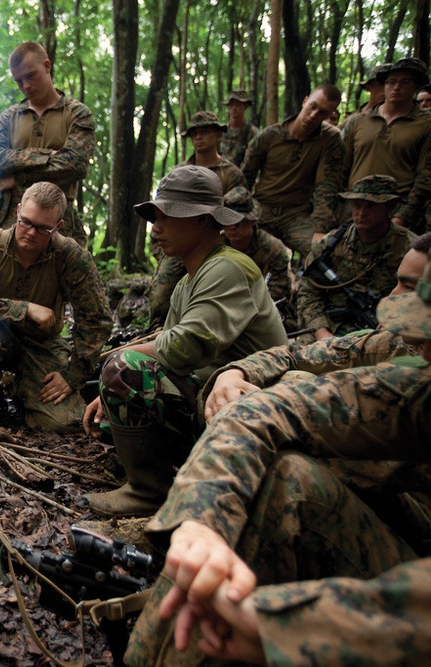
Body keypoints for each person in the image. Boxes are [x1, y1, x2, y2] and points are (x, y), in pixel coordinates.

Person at [123, 261, 431, 666]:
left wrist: (288, 626)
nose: (423, 351)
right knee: (286, 438)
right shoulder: (411, 371)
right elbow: (269, 410)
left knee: (292, 479)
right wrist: (202, 522)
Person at [82, 165, 287, 516]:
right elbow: (170, 350)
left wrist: (118, 365)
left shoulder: (227, 268)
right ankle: (166, 468)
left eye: (168, 217)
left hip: (250, 405)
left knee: (124, 371)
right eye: (155, 216)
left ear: (203, 220)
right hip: (211, 395)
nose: (156, 227)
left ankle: (148, 492)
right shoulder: (187, 281)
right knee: (113, 404)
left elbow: (181, 348)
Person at [202, 230, 430, 424]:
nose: (393, 296)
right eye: (397, 283)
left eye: (409, 288)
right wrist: (235, 373)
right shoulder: (391, 342)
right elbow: (295, 354)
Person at [0, 181, 112, 432]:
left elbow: (96, 319)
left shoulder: (71, 257)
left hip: (40, 344)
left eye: (43, 228)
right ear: (18, 211)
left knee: (59, 424)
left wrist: (72, 375)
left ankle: (25, 388)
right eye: (26, 222)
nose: (31, 233)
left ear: (58, 226)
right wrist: (24, 309)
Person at [0, 41, 94, 247]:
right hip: (13, 219)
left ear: (46, 66)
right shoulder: (9, 118)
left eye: (31, 76)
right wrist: (47, 156)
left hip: (59, 218)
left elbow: (75, 165)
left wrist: (17, 177)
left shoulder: (77, 114)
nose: (25, 86)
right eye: (19, 81)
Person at [148, 111, 248, 323]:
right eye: (194, 133)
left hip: (218, 243)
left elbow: (241, 212)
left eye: (205, 132)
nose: (198, 137)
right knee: (160, 298)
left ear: (219, 135)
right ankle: (157, 332)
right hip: (180, 242)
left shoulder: (231, 174)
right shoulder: (178, 172)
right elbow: (161, 212)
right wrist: (159, 248)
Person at [297, 174, 416, 340]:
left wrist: (394, 321)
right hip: (329, 327)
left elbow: (419, 300)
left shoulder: (410, 251)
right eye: (356, 205)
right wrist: (322, 333)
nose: (361, 213)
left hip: (384, 331)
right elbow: (309, 295)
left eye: (370, 206)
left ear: (390, 206)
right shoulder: (328, 246)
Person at [241, 84, 345, 259]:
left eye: (322, 113)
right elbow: (245, 177)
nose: (313, 115)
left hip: (296, 215)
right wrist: (240, 215)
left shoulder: (330, 140)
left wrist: (320, 230)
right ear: (305, 101)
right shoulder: (269, 136)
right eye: (313, 106)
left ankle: (305, 285)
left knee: (325, 254)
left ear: (329, 116)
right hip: (262, 209)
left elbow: (326, 187)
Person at [342, 57, 431, 234]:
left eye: (404, 82)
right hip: (355, 209)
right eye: (391, 82)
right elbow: (340, 168)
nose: (396, 87)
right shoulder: (358, 122)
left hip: (397, 209)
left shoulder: (426, 124)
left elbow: (426, 176)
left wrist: (403, 217)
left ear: (415, 86)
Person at [219, 186, 293, 310]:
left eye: (238, 222)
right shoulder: (214, 245)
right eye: (227, 221)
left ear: (252, 221)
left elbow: (278, 293)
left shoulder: (273, 250)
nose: (231, 227)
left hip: (261, 310)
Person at [338, 63, 390, 128]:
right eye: (381, 84)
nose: (386, 89)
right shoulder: (354, 119)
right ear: (369, 87)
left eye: (391, 83)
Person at [219, 89, 258, 168]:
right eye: (231, 105)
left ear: (245, 107)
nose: (234, 108)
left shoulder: (252, 132)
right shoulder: (220, 131)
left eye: (238, 105)